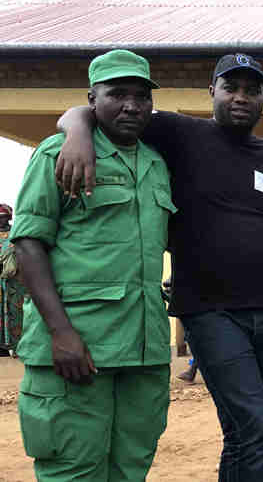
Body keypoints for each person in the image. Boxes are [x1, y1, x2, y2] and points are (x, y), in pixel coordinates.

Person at [55, 53, 263, 481]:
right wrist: (74, 130)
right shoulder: (181, 132)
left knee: (244, 430)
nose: (241, 97)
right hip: (211, 311)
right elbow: (96, 109)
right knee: (254, 427)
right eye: (230, 88)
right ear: (212, 92)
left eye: (251, 90)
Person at [11, 49, 173, 480]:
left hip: (143, 350)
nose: (132, 105)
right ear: (91, 98)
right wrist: (60, 333)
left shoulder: (157, 163)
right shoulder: (56, 155)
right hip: (78, 346)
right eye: (117, 94)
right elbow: (28, 244)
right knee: (73, 469)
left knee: (130, 467)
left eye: (142, 96)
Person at [1, 203, 26, 358]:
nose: (1, 221)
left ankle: (18, 346)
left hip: (15, 282)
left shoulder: (16, 234)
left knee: (16, 313)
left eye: (3, 217)